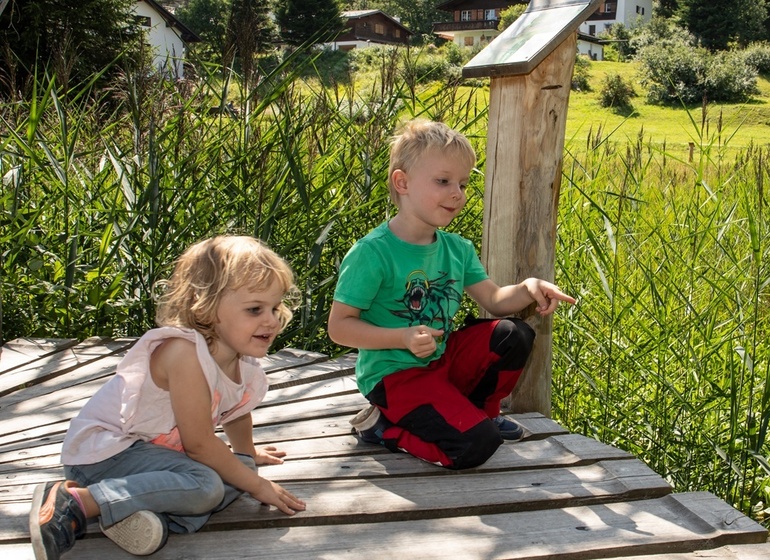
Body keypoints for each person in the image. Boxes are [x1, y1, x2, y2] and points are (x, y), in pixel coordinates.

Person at [29, 236, 307, 559]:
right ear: (207, 305)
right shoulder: (185, 354)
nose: (271, 320)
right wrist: (258, 486)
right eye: (255, 309)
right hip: (104, 455)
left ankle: (139, 513)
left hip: (150, 458)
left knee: (240, 469)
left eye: (275, 308)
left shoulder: (240, 360)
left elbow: (235, 413)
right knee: (208, 486)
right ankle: (75, 501)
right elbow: (199, 444)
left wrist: (248, 456)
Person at [328, 118, 576, 470]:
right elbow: (339, 328)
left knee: (513, 333)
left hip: (440, 364)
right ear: (402, 182)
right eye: (443, 181)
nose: (457, 193)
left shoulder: (457, 249)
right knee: (475, 447)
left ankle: (482, 414)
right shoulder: (373, 252)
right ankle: (382, 428)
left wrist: (527, 288)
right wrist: (402, 337)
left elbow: (494, 300)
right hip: (395, 376)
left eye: (462, 182)